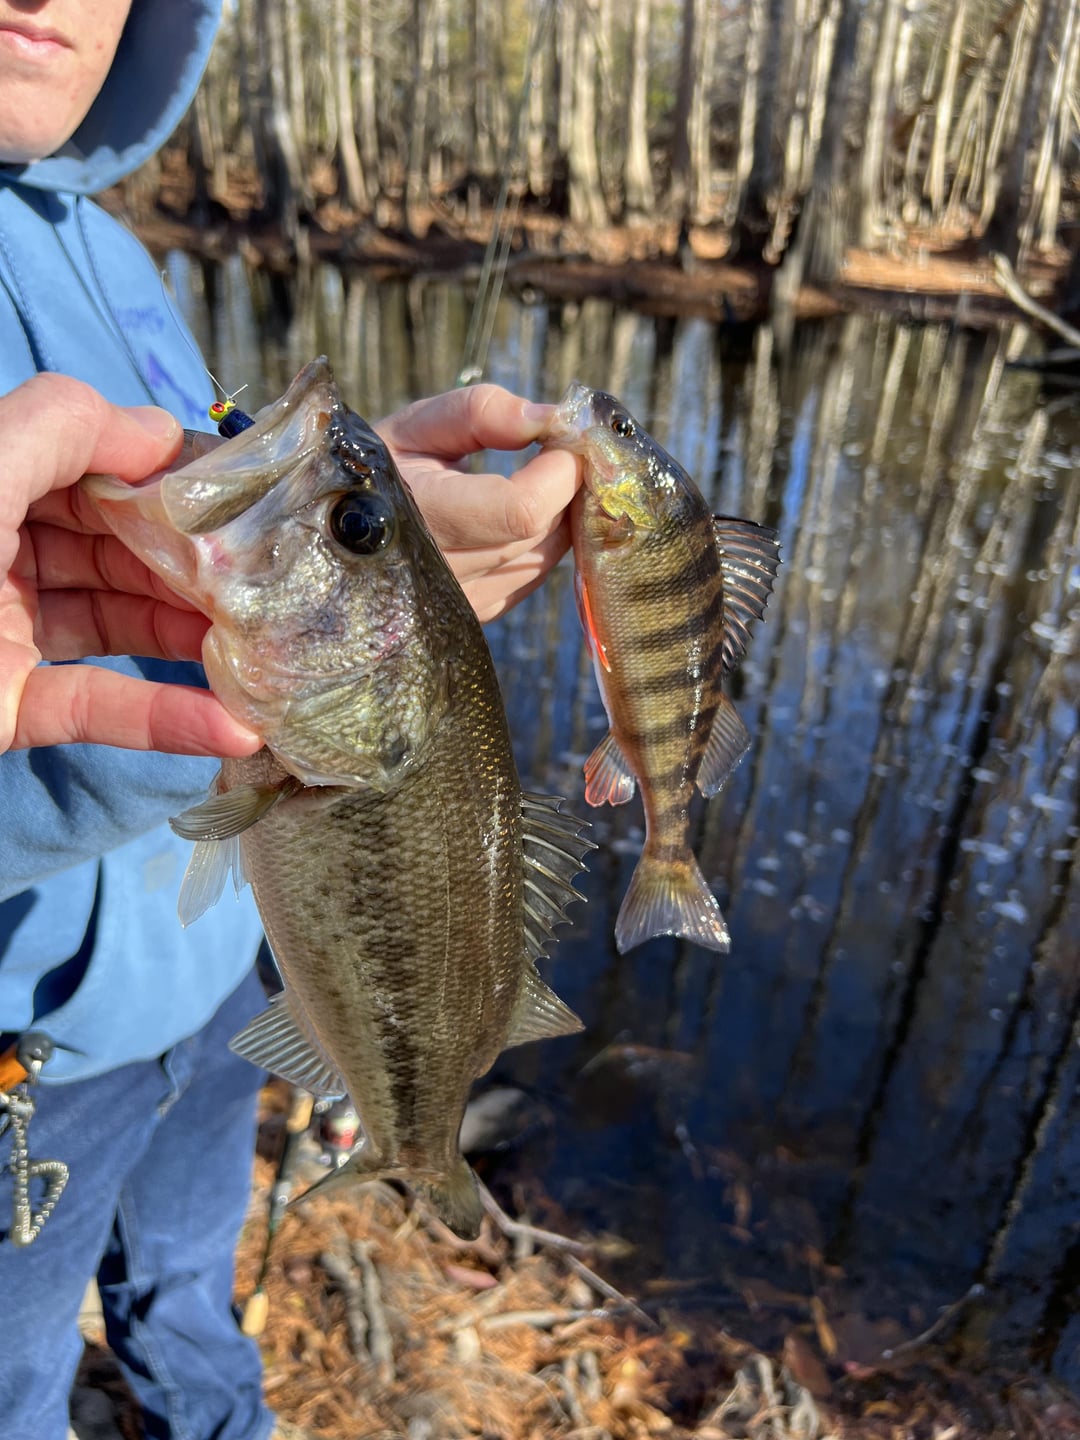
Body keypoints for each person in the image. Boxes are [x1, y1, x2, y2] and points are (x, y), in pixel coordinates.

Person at [0, 5, 578, 1440]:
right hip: (34, 1050)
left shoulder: (113, 254)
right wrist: (331, 565)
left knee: (192, 1300)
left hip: (216, 993)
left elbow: (233, 539)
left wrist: (371, 521)